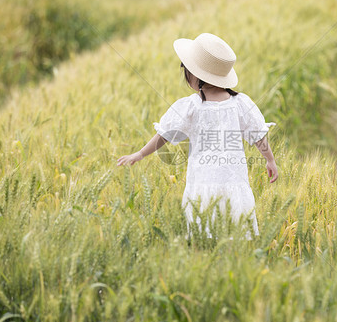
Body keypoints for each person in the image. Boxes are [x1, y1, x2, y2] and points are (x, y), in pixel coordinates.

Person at [117, 33, 278, 240]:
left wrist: (140, 154)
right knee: (232, 236)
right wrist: (270, 160)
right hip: (233, 179)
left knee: (202, 236)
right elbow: (258, 136)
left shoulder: (191, 107)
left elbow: (165, 135)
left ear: (195, 75)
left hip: (202, 182)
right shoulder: (241, 103)